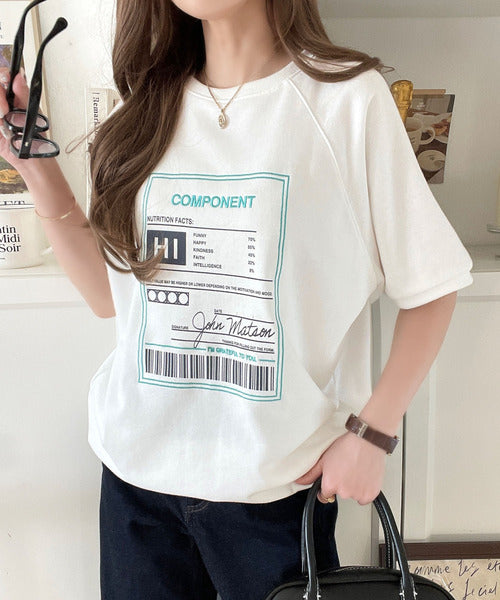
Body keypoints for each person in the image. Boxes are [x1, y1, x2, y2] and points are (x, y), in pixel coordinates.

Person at [0, 1, 474, 599]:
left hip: (275, 494)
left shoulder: (348, 101)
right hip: (136, 483)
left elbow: (433, 285)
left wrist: (373, 434)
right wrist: (33, 166)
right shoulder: (139, 112)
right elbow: (108, 295)